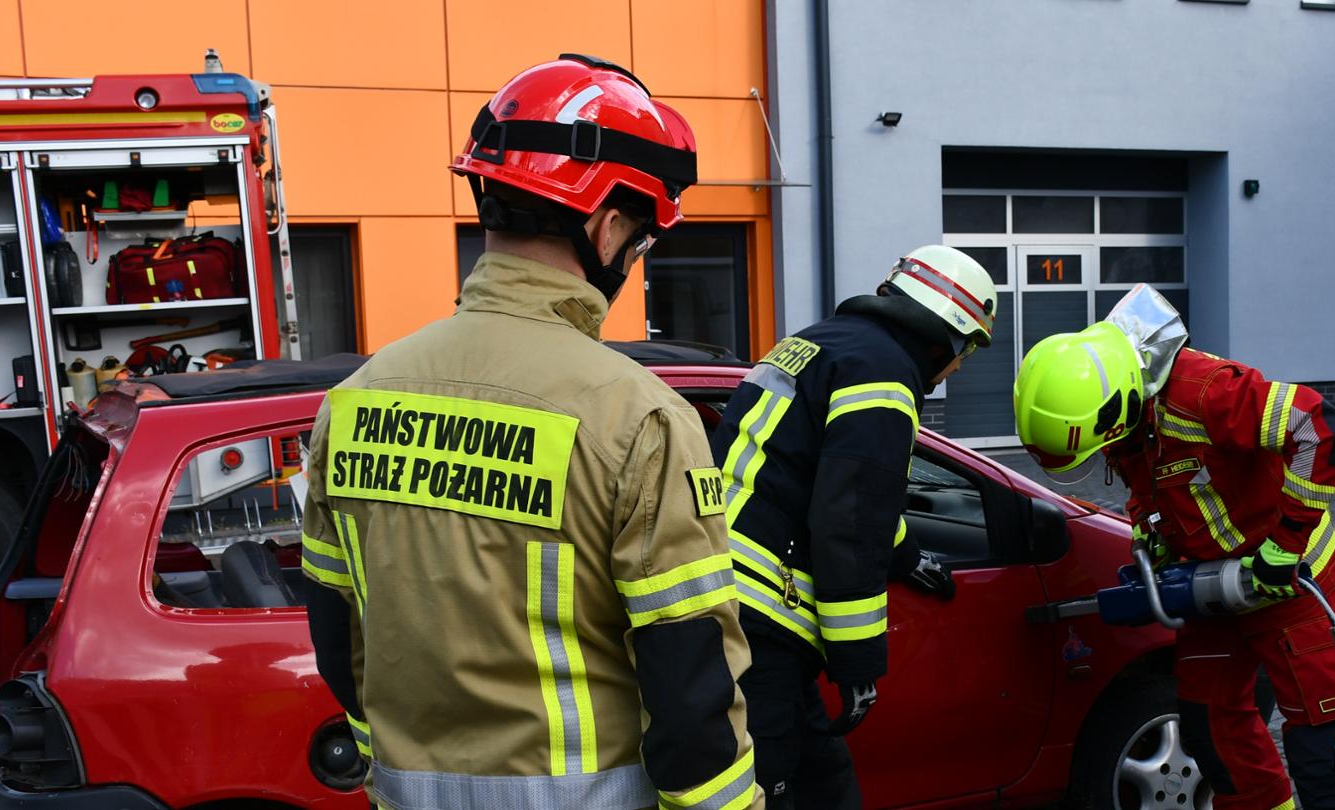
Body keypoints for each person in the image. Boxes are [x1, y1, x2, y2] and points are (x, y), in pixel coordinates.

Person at [300, 55, 761, 810]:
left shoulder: (353, 399)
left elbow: (335, 628)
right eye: (640, 241)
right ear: (607, 227)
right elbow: (689, 685)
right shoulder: (639, 416)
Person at [1014, 285, 1335, 810]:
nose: (1109, 453)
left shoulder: (1204, 392)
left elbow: (1320, 426)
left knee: (1321, 739)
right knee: (1208, 728)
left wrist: (1285, 547)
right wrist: (1148, 544)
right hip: (1213, 592)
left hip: (1290, 584)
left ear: (1124, 400)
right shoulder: (1127, 421)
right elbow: (1146, 490)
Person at [714, 245, 995, 809]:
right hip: (763, 621)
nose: (959, 367)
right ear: (943, 332)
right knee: (771, 791)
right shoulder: (885, 377)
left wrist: (907, 555)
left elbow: (845, 492)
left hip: (724, 587)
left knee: (827, 785)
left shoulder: (821, 342)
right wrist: (857, 665)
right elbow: (850, 523)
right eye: (965, 349)